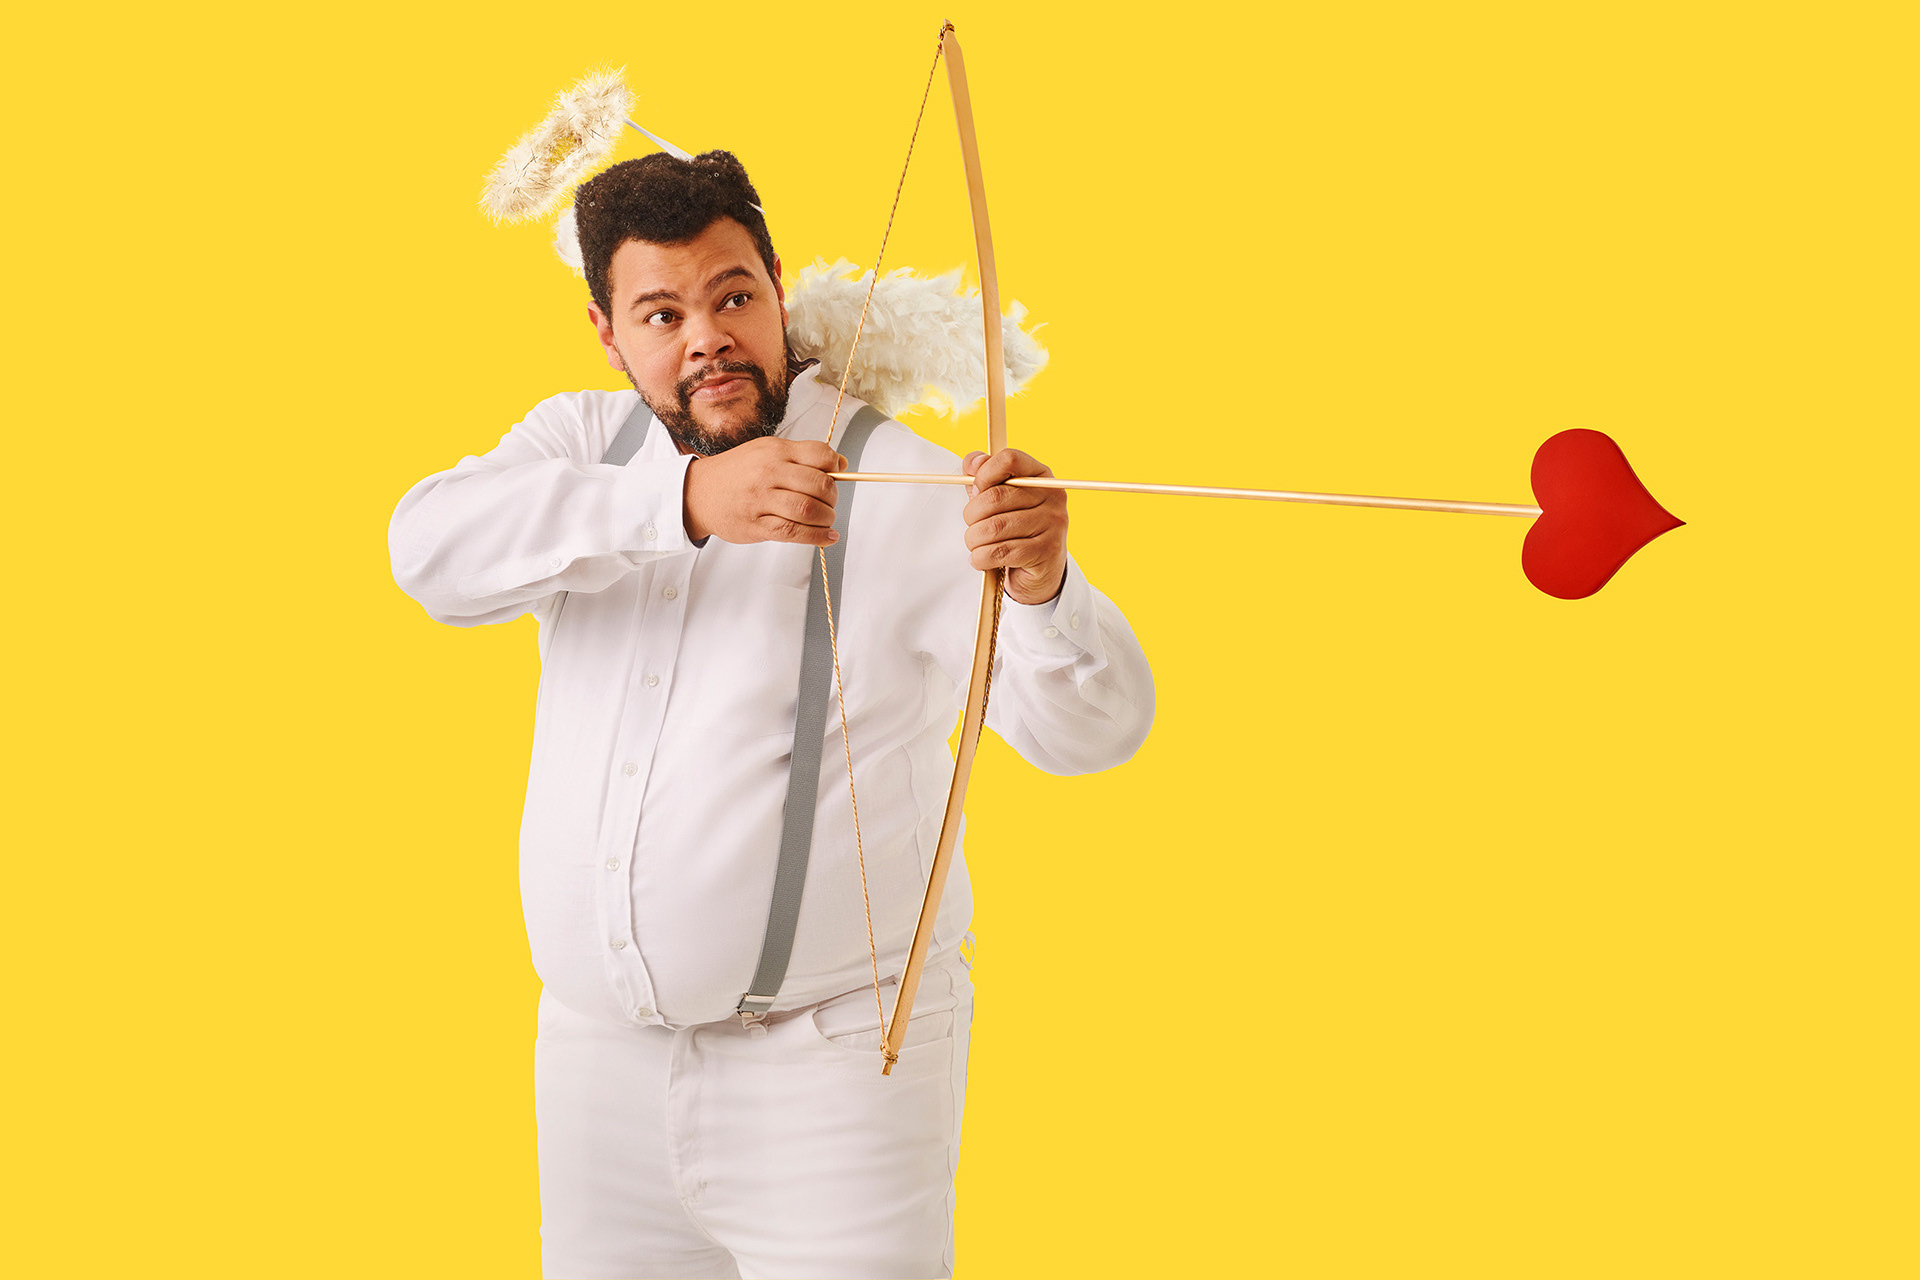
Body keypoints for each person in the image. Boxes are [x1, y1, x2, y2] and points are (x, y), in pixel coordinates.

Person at [387, 151, 1154, 1279]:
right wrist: (685, 501)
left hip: (831, 1077)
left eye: (733, 295)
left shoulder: (902, 484)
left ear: (778, 289)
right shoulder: (584, 447)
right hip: (598, 1072)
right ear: (608, 333)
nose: (707, 339)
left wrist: (1040, 588)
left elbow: (1092, 729)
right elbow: (426, 550)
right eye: (663, 314)